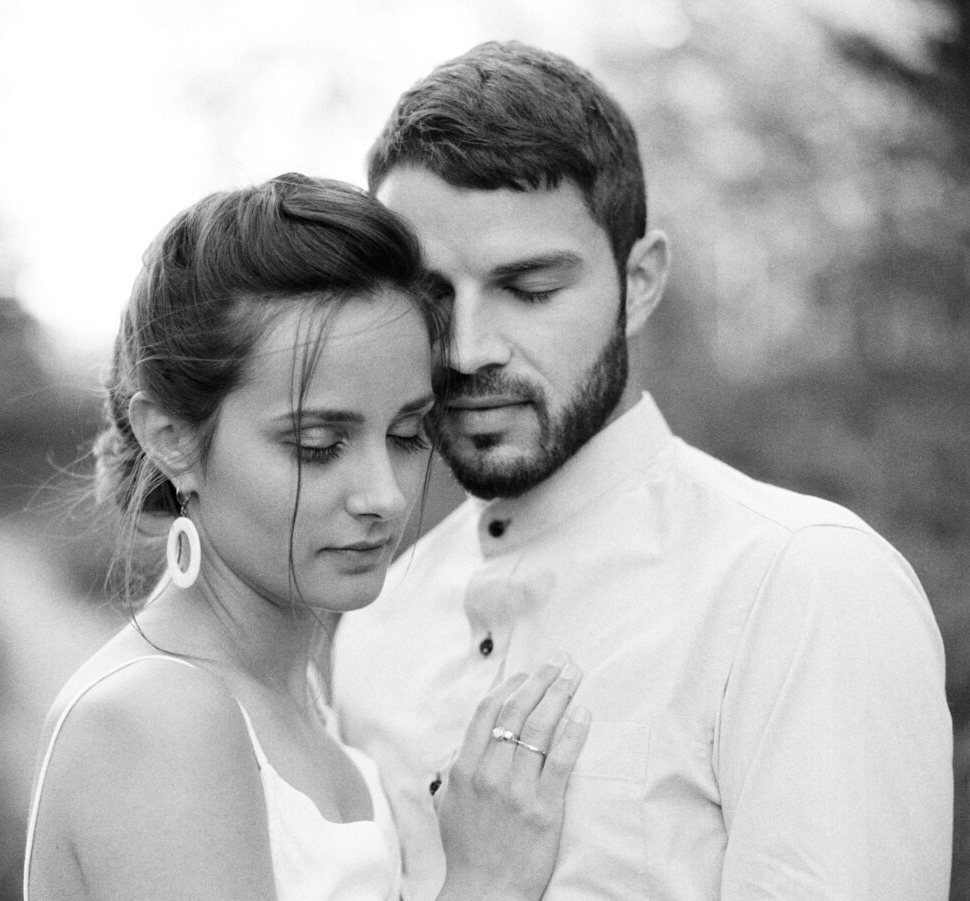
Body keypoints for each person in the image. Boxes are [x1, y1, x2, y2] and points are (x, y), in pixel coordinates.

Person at [332, 40, 953, 900]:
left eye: (530, 288)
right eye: (433, 299)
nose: (468, 349)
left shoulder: (801, 583)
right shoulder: (373, 623)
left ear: (642, 281)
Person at [22, 173, 592, 901]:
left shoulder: (301, 696)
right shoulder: (158, 717)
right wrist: (486, 882)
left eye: (408, 434)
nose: (384, 495)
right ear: (171, 437)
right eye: (319, 444)